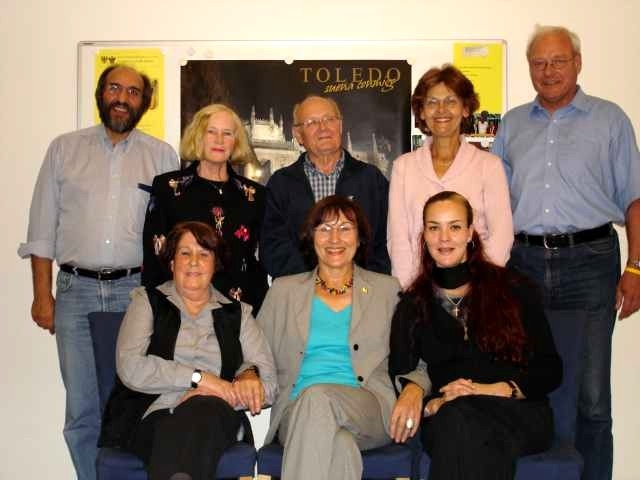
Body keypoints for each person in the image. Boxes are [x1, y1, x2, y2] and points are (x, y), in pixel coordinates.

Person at [491, 25, 640, 480]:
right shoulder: (512, 124)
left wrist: (636, 267)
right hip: (525, 264)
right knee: (529, 385)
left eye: (558, 61)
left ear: (577, 63)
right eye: (539, 63)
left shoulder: (610, 119)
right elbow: (494, 201)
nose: (548, 71)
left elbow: (635, 199)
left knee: (591, 397)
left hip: (590, 262)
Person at [17, 64, 178, 480]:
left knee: (135, 402)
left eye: (133, 92)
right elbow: (41, 229)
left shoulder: (162, 155)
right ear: (101, 94)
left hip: (135, 293)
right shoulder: (63, 150)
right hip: (75, 294)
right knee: (83, 409)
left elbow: (170, 237)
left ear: (145, 102)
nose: (122, 98)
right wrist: (42, 296)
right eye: (114, 88)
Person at [389, 191, 562, 480]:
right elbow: (400, 374)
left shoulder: (514, 289)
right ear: (425, 236)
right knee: (460, 424)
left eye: (455, 227)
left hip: (516, 410)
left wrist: (487, 390)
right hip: (447, 415)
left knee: (462, 425)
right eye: (434, 228)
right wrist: (429, 401)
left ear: (470, 232)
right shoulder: (412, 305)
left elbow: (550, 370)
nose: (444, 238)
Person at [257, 195, 429, 480]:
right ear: (311, 237)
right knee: (340, 446)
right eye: (324, 229)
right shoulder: (283, 292)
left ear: (360, 238)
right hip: (296, 413)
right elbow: (256, 354)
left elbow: (420, 355)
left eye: (345, 228)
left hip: (368, 408)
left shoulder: (386, 290)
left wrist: (415, 388)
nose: (334, 238)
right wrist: (248, 374)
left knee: (318, 398)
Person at [100, 221, 277, 480]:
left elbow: (269, 386)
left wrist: (232, 386)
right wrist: (199, 379)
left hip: (217, 416)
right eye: (185, 253)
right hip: (154, 417)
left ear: (215, 264)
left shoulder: (239, 314)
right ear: (172, 263)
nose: (194, 262)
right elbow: (130, 366)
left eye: (204, 254)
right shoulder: (147, 302)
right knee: (178, 433)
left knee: (204, 409)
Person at [388, 65, 513, 289]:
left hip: (477, 287)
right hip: (420, 287)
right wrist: (412, 289)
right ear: (422, 112)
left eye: (451, 101)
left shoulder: (489, 166)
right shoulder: (403, 168)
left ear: (465, 109)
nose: (441, 110)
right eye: (432, 102)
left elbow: (501, 236)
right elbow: (398, 240)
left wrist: (478, 286)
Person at [142, 104, 268, 314]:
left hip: (238, 312)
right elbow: (155, 259)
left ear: (236, 141)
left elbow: (257, 261)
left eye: (227, 133)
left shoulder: (255, 195)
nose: (219, 140)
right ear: (198, 137)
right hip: (179, 311)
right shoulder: (168, 188)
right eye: (211, 132)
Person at [260, 94, 391, 278]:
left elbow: (386, 241)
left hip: (363, 290)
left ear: (340, 126)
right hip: (300, 291)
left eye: (329, 119)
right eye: (312, 122)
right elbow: (273, 246)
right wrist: (316, 282)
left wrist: (357, 283)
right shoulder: (281, 183)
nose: (323, 128)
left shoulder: (371, 179)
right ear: (298, 134)